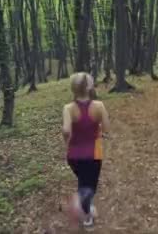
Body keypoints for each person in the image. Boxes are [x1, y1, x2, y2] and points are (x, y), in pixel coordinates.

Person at [62, 72, 110, 228]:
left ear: (73, 89)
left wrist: (66, 140)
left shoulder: (68, 108)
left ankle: (83, 200)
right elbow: (107, 128)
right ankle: (87, 215)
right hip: (93, 154)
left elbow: (66, 131)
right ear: (89, 88)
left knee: (83, 181)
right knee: (89, 186)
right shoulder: (99, 106)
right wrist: (98, 131)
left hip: (74, 156)